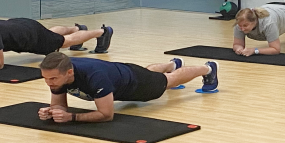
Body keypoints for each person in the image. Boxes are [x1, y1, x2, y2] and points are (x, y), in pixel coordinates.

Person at [37, 52, 219, 123]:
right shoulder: (57, 76)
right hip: (122, 73)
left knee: (168, 81)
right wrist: (53, 111)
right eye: (46, 78)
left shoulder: (94, 76)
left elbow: (107, 115)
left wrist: (72, 117)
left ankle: (208, 68)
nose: (49, 83)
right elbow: (59, 104)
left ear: (69, 73)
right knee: (151, 73)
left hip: (135, 84)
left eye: (52, 78)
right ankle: (172, 64)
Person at [0, 11, 113, 73]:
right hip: (19, 25)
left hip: (29, 35)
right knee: (50, 34)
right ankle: (76, 28)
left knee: (62, 43)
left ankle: (102, 32)